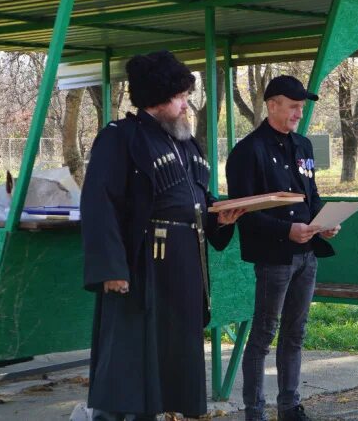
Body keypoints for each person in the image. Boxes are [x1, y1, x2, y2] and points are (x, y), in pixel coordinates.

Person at [81, 51, 243, 420]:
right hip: (141, 268)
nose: (187, 104)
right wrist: (111, 268)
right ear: (159, 96)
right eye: (181, 96)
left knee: (169, 363)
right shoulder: (120, 138)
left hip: (184, 270)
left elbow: (199, 200)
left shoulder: (185, 142)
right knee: (128, 359)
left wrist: (223, 216)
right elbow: (99, 204)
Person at [226, 75, 340, 421]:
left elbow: (312, 196)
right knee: (263, 333)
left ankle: (290, 406)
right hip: (274, 257)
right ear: (271, 105)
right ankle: (255, 411)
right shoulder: (248, 152)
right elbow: (241, 215)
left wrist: (325, 221)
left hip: (307, 255)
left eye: (301, 108)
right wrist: (287, 230)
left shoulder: (303, 146)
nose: (297, 114)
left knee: (296, 332)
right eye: (292, 107)